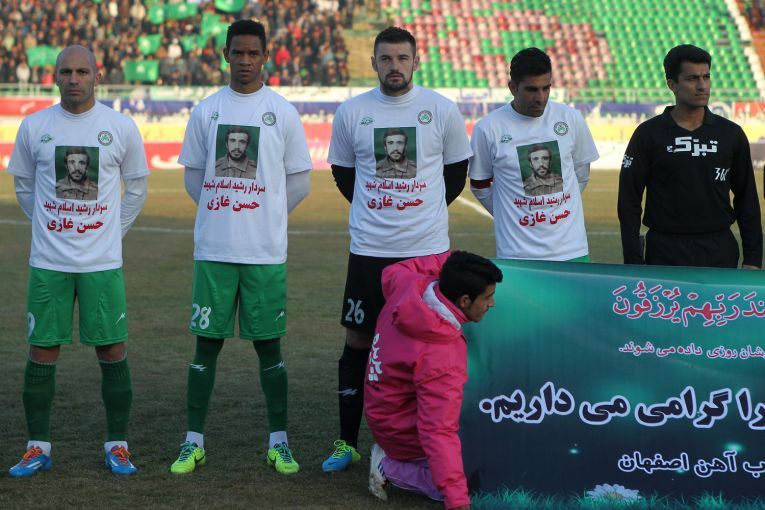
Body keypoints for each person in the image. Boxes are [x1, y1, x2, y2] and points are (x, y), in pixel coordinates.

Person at [324, 26, 472, 472]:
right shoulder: (352, 112)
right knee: (358, 339)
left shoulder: (441, 110)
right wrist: (377, 210)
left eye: (402, 58)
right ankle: (346, 442)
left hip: (426, 253)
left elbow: (455, 174)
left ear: (416, 61)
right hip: (369, 250)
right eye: (386, 59)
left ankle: (423, 440)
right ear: (374, 63)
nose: (394, 66)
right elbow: (343, 173)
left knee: (427, 344)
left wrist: (419, 213)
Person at [170, 20, 312, 476]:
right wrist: (224, 212)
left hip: (264, 254)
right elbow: (194, 177)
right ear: (226, 55)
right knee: (205, 346)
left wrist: (263, 214)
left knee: (269, 348)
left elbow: (299, 182)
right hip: (214, 250)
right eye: (238, 52)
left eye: (253, 53)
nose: (245, 60)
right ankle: (193, 442)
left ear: (265, 56)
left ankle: (279, 442)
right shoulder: (206, 110)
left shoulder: (282, 112)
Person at [7, 45, 149, 477]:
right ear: (55, 77)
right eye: (66, 72)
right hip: (48, 262)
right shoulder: (34, 126)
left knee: (112, 348)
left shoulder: (119, 127)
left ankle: (118, 445)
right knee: (41, 350)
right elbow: (24, 185)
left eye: (82, 71)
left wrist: (111, 233)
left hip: (101, 264)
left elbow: (137, 187)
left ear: (97, 76)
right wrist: (47, 226)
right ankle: (37, 446)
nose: (74, 79)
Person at [365, 251, 503, 509]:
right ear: (464, 300)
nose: (492, 304)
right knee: (468, 483)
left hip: (384, 409)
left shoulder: (408, 284)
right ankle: (389, 467)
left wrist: (458, 259)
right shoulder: (441, 356)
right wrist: (457, 499)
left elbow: (392, 271)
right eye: (488, 297)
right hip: (400, 430)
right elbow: (437, 431)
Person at [618, 44, 762, 268]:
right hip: (665, 251)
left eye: (706, 77)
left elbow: (747, 199)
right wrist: (633, 259)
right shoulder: (648, 134)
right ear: (672, 84)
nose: (702, 86)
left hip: (719, 249)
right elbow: (629, 200)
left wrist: (753, 259)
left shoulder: (731, 134)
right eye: (692, 78)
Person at [469, 48, 598, 261]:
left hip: (572, 251)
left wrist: (557, 208)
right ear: (513, 87)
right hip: (518, 255)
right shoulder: (488, 128)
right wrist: (509, 215)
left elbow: (581, 174)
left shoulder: (571, 118)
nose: (540, 98)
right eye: (531, 90)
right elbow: (479, 185)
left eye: (546, 88)